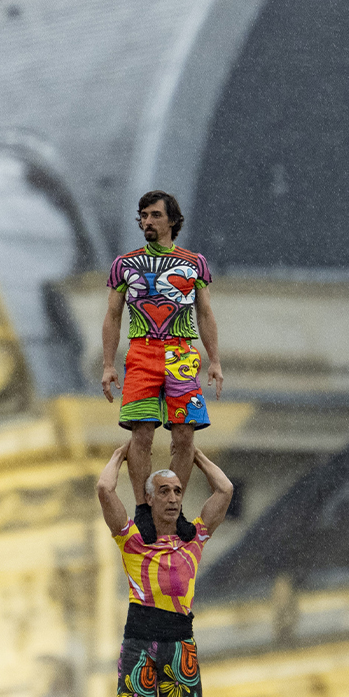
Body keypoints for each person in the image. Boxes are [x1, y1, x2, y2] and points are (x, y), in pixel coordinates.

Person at [95, 442, 233, 697]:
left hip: (179, 640)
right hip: (140, 638)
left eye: (177, 492)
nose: (173, 499)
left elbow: (226, 490)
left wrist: (198, 456)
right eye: (164, 492)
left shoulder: (194, 540)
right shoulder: (133, 540)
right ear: (149, 499)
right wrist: (117, 456)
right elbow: (105, 490)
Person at [101, 191, 223, 505]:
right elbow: (113, 315)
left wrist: (215, 360)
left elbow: (205, 312)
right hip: (142, 351)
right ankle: (144, 507)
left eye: (155, 215)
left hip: (181, 352)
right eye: (143, 216)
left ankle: (171, 504)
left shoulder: (194, 264)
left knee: (184, 435)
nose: (147, 222)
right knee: (141, 433)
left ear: (172, 219)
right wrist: (108, 364)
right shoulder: (125, 265)